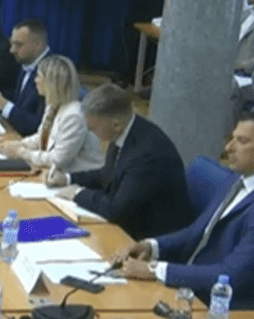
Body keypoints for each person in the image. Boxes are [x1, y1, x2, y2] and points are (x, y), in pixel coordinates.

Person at [113, 109, 254, 309]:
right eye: (231, 139)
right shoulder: (238, 179)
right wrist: (150, 246)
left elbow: (232, 275)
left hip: (223, 309)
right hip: (191, 288)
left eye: (242, 141)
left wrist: (155, 270)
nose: (229, 148)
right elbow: (198, 231)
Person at [48, 83, 192, 240]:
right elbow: (108, 174)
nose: (89, 131)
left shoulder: (146, 155)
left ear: (116, 124)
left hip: (150, 238)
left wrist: (77, 193)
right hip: (131, 221)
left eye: (93, 128)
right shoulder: (125, 130)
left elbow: (115, 210)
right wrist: (68, 179)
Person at [0, 55, 105, 174]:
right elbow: (42, 137)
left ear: (51, 82)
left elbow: (58, 159)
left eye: (38, 76)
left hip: (78, 178)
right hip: (55, 173)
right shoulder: (53, 106)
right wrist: (17, 145)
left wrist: (21, 152)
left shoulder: (73, 116)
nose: (35, 80)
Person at [0, 18, 50, 136]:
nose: (11, 50)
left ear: (38, 45)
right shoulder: (27, 63)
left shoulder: (52, 72)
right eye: (12, 44)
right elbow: (20, 102)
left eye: (18, 45)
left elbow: (39, 125)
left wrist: (4, 105)